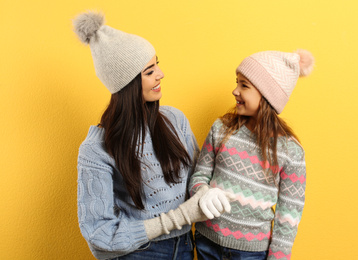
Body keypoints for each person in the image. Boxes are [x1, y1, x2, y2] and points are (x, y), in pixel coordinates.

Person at [73, 11, 232, 260]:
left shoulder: (174, 120)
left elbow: (197, 177)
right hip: (140, 254)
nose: (160, 74)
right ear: (127, 84)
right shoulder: (97, 149)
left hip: (185, 247)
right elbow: (100, 233)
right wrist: (182, 216)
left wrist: (204, 193)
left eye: (157, 64)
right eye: (149, 71)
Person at [189, 50, 314, 260]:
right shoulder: (221, 129)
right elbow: (198, 177)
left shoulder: (290, 151)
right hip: (207, 242)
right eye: (237, 82)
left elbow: (289, 213)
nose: (234, 91)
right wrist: (203, 192)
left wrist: (278, 257)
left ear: (267, 95)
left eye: (244, 85)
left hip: (250, 253)